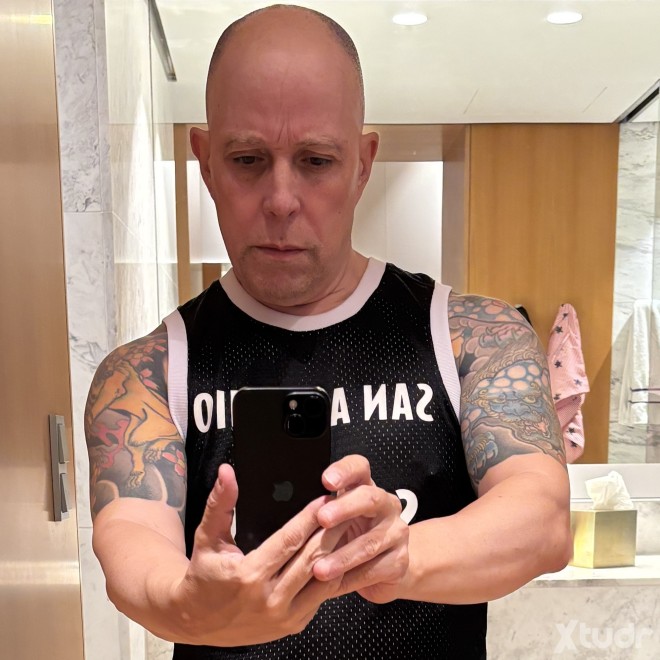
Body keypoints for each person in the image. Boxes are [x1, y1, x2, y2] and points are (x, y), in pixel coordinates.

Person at [85, 5, 572, 658]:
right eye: (248, 159)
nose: (281, 200)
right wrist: (190, 602)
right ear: (204, 161)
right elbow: (131, 544)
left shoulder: (470, 337)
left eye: (316, 161)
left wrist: (396, 555)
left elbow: (542, 518)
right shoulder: (149, 370)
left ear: (364, 163)